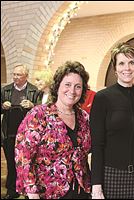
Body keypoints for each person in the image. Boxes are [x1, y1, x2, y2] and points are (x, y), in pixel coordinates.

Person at [90, 42, 134, 199]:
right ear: (115, 69)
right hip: (111, 175)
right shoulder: (103, 98)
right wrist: (96, 185)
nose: (127, 68)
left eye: (131, 63)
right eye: (121, 63)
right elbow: (97, 145)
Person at [15, 61, 92, 199]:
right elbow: (23, 156)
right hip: (48, 193)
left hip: (80, 192)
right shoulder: (39, 115)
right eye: (67, 85)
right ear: (57, 87)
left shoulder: (84, 117)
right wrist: (32, 192)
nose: (72, 91)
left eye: (78, 86)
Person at [1, 64, 40, 199]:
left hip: (27, 135)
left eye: (19, 75)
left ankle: (27, 190)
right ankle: (12, 190)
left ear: (26, 76)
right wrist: (2, 106)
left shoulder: (34, 91)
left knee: (27, 164)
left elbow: (41, 111)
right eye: (14, 74)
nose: (15, 77)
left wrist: (32, 106)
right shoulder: (5, 90)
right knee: (11, 164)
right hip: (9, 134)